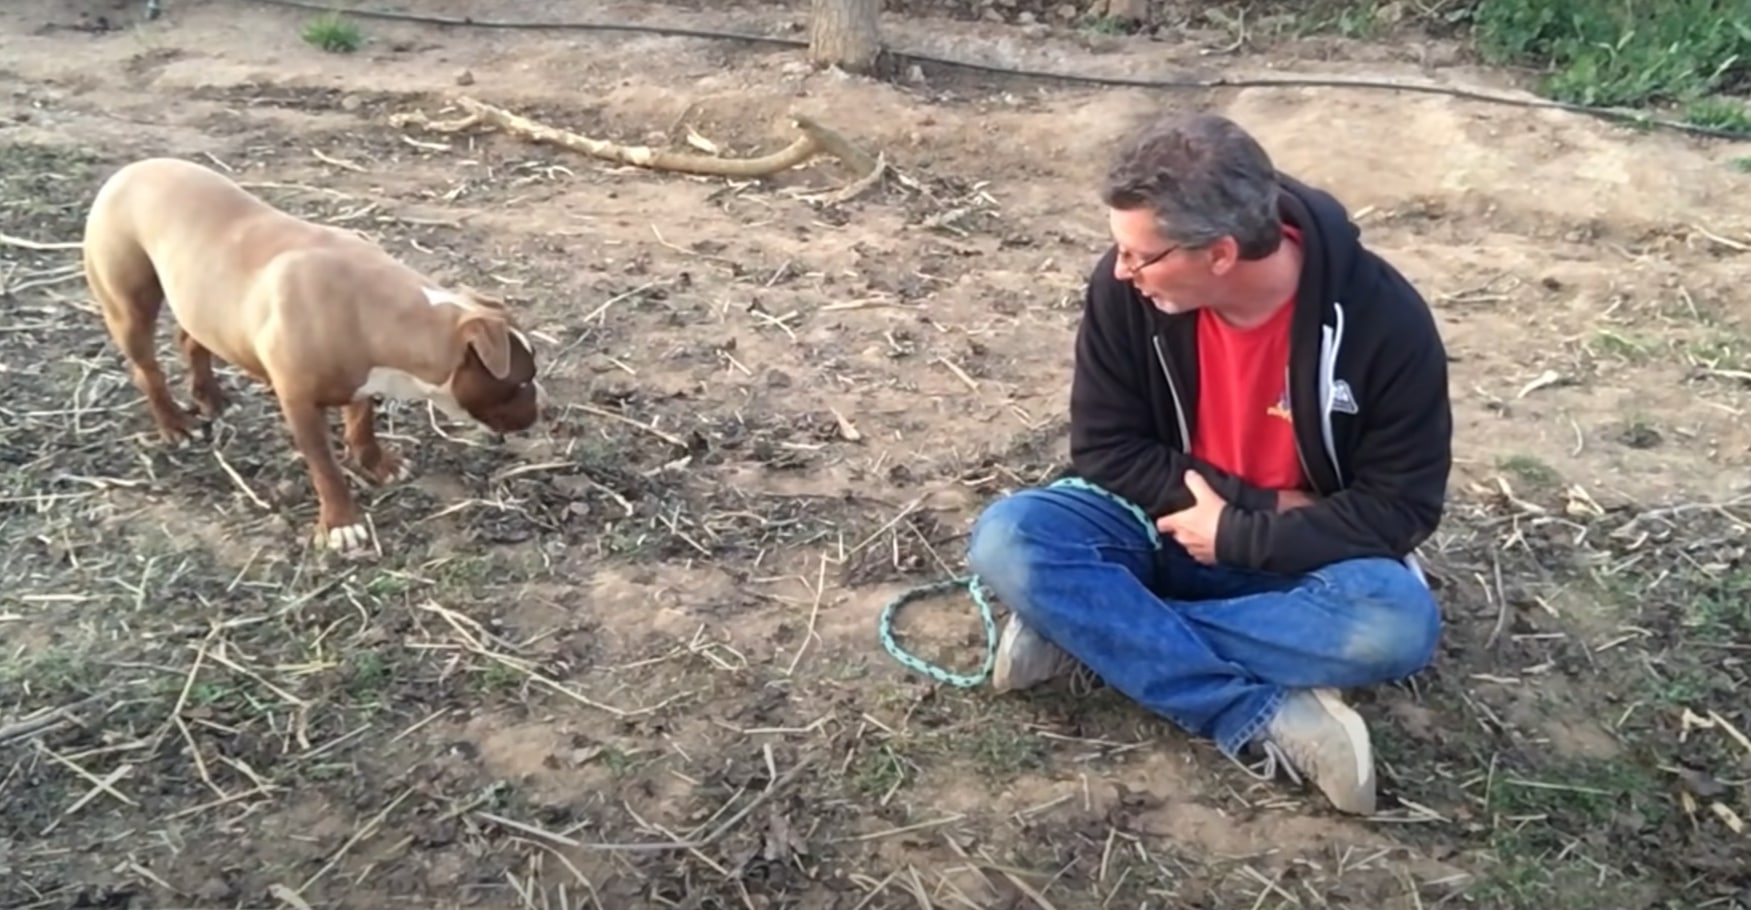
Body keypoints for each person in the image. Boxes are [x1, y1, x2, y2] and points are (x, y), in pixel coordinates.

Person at [965, 111, 1452, 816]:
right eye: (1121, 251)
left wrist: (1242, 534)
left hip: (1298, 558)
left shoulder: (1385, 321)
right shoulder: (1124, 287)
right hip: (1154, 523)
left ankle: (1090, 629)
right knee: (1009, 538)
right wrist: (1246, 505)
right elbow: (1104, 448)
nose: (1121, 270)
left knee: (1394, 625)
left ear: (1220, 253)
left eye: (1141, 255)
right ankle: (1250, 713)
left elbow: (1402, 508)